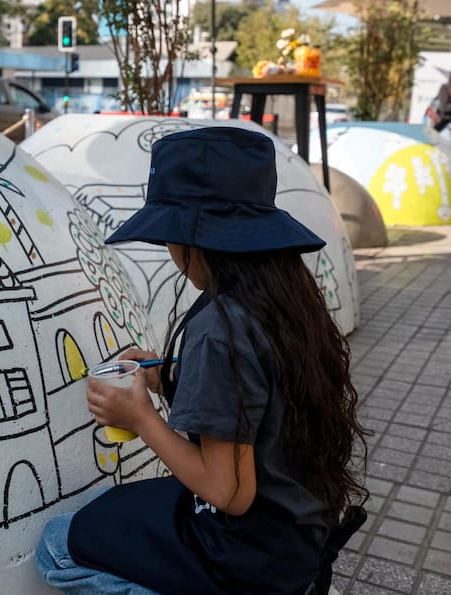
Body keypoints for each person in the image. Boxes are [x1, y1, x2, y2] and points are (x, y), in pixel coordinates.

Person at [35, 127, 369, 594]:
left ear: (194, 240)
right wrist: (167, 375)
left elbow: (229, 492)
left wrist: (142, 419)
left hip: (245, 555)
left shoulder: (219, 331)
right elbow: (257, 396)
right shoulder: (284, 298)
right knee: (108, 509)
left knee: (57, 543)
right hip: (296, 537)